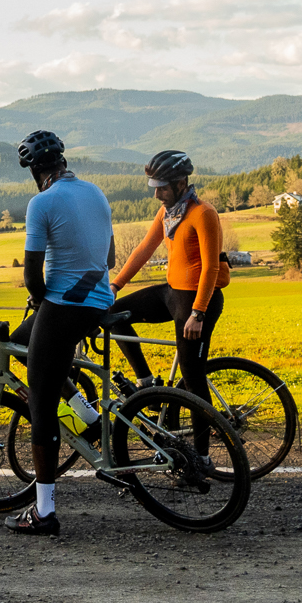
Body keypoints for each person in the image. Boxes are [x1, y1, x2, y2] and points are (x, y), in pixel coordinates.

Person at [3, 130, 113, 537]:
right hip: (100, 299)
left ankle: (44, 511)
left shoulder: (42, 202)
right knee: (22, 342)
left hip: (66, 305)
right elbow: (110, 257)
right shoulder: (96, 192)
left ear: (34, 169)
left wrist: (41, 299)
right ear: (63, 162)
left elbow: (32, 276)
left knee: (42, 406)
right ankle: (86, 414)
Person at [108, 149, 231, 449]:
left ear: (180, 183)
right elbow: (144, 250)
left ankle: (201, 456)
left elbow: (212, 266)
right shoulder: (168, 213)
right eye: (154, 187)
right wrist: (116, 284)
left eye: (162, 187)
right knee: (113, 314)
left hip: (198, 301)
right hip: (172, 293)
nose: (157, 194)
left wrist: (198, 313)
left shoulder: (203, 213)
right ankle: (145, 384)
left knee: (193, 382)